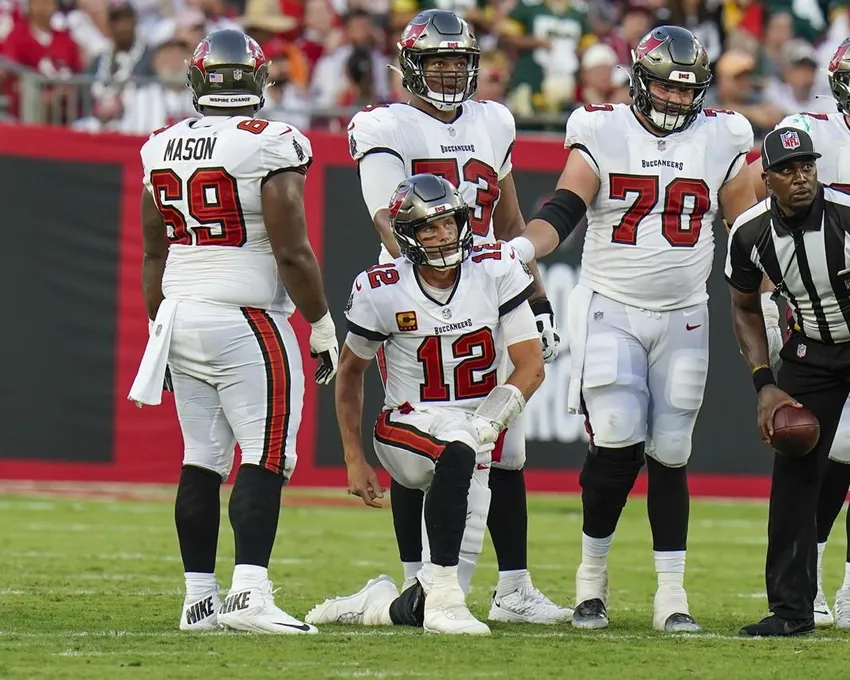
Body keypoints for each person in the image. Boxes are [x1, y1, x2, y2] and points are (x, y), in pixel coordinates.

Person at [507, 26, 757, 631]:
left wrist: (781, 295)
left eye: (686, 89)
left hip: (684, 311)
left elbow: (749, 229)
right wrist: (524, 248)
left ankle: (672, 593)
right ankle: (590, 581)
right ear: (640, 81)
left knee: (672, 449)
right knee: (617, 436)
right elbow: (565, 207)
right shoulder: (602, 128)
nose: (675, 99)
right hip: (611, 305)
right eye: (666, 87)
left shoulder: (724, 135)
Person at [345, 8, 570, 624]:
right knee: (419, 439)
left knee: (507, 448)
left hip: (488, 291)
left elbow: (510, 222)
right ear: (410, 66)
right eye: (437, 61)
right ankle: (417, 583)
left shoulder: (494, 120)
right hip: (417, 294)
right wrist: (437, 286)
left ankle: (514, 588)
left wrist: (536, 299)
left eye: (458, 61)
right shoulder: (386, 124)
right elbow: (388, 221)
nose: (448, 72)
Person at [128, 29, 339, 634]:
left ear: (197, 81)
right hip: (246, 315)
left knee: (201, 458)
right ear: (259, 80)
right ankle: (249, 592)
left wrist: (159, 329)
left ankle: (199, 599)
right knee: (267, 453)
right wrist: (321, 324)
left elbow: (153, 253)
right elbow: (292, 250)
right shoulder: (271, 141)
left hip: (179, 312)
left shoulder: (161, 144)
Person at [305, 173, 545, 634]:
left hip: (475, 429)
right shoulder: (382, 288)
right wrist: (354, 458)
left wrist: (488, 424)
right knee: (458, 447)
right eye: (429, 228)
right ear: (407, 237)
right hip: (405, 425)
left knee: (425, 592)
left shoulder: (495, 269)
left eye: (449, 223)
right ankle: (445, 606)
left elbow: (531, 365)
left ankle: (381, 603)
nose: (444, 235)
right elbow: (351, 373)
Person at [725, 126, 850, 637]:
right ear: (767, 178)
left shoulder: (845, 215)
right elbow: (743, 305)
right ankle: (792, 611)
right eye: (787, 170)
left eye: (807, 167)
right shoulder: (750, 232)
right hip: (812, 350)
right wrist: (764, 382)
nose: (801, 178)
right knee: (794, 473)